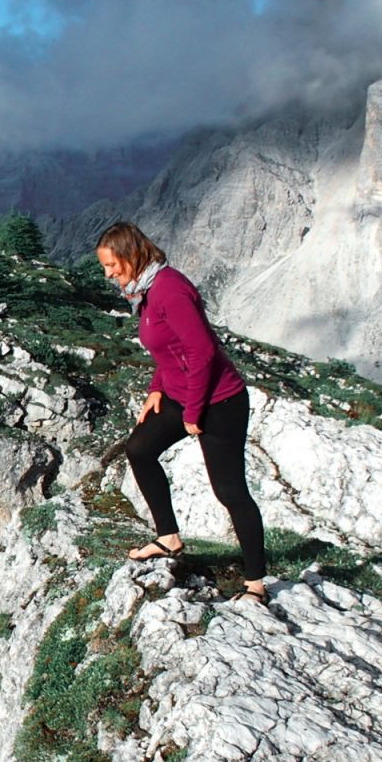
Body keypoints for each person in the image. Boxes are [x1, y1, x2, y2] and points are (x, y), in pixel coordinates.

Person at [94, 221, 267, 602]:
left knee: (229, 490)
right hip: (180, 393)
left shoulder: (170, 289)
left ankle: (256, 583)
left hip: (218, 400)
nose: (108, 274)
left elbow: (202, 351)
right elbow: (168, 348)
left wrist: (193, 411)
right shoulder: (146, 291)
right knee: (139, 448)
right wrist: (156, 389)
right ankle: (169, 538)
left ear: (131, 255)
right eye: (105, 267)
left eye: (111, 265)